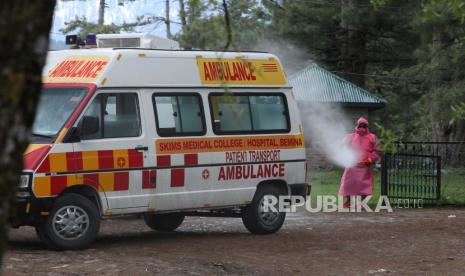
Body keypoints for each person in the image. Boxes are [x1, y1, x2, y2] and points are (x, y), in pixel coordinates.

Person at [339, 117, 381, 208]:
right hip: (352, 164)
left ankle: (361, 203)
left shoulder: (372, 137)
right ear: (357, 125)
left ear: (367, 126)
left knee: (364, 185)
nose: (362, 126)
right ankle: (349, 201)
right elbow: (343, 147)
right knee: (348, 183)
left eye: (364, 125)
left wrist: (370, 159)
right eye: (360, 124)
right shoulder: (350, 137)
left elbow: (377, 151)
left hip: (365, 165)